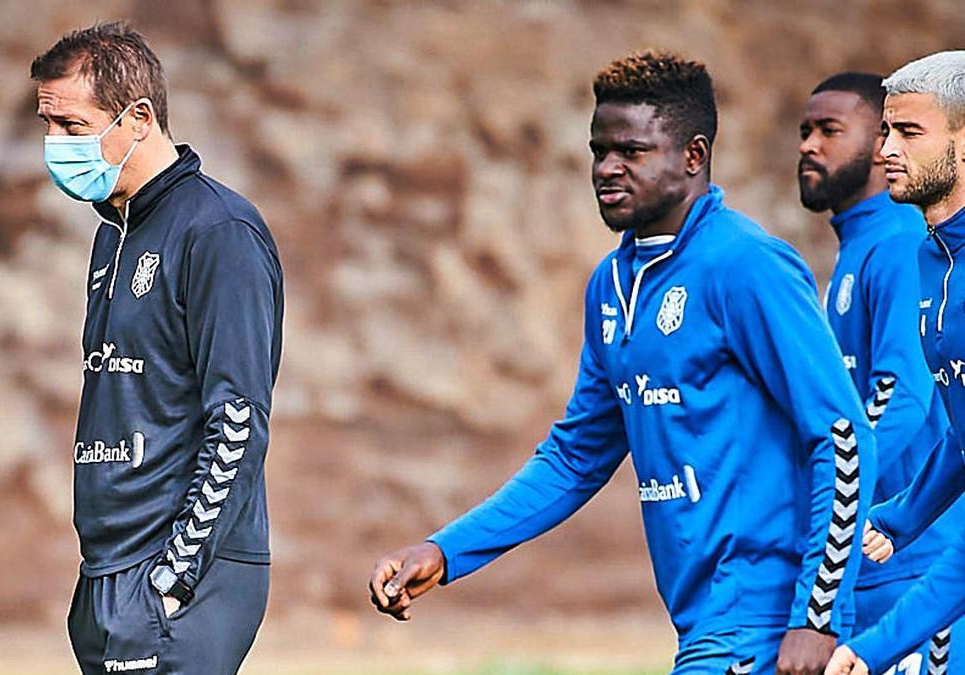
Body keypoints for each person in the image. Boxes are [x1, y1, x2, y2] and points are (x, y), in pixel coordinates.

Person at [369, 50, 877, 675]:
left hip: (764, 626)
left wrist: (815, 619)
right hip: (703, 625)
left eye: (632, 152)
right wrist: (447, 551)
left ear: (692, 156)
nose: (607, 168)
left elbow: (843, 436)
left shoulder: (747, 268)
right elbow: (575, 456)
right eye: (598, 150)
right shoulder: (612, 284)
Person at [32, 22, 281, 674]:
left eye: (72, 128)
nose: (53, 146)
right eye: (47, 126)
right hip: (108, 574)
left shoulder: (219, 232)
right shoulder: (111, 234)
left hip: (176, 580)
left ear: (138, 118)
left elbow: (237, 419)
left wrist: (174, 577)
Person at [799, 71, 958, 675]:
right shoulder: (890, 248)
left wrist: (827, 492)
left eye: (830, 130)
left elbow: (904, 395)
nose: (808, 145)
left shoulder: (895, 241)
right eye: (805, 131)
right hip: (892, 554)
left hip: (919, 564)